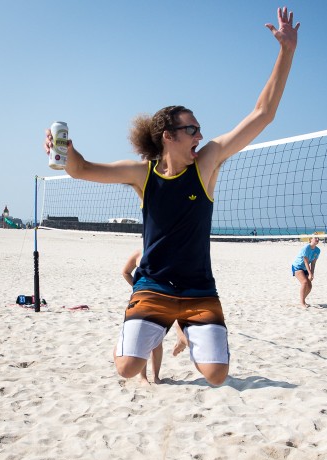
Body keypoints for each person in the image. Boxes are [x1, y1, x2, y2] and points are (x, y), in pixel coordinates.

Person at [45, 7, 300, 386]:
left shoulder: (207, 163)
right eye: (192, 128)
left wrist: (287, 51)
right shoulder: (140, 175)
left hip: (199, 290)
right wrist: (64, 149)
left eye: (200, 129)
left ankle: (180, 326)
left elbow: (262, 114)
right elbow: (81, 169)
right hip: (152, 288)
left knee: (216, 375)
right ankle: (148, 328)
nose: (200, 135)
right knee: (128, 369)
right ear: (169, 135)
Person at [121, 249, 187, 384]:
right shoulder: (143, 252)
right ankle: (146, 377)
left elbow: (125, 273)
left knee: (154, 340)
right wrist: (137, 287)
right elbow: (126, 272)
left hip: (159, 299)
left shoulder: (170, 253)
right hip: (150, 299)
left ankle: (152, 377)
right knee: (148, 339)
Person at [291, 234, 320, 308]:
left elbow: (313, 263)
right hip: (297, 266)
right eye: (315, 238)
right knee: (304, 282)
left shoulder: (318, 250)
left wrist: (312, 274)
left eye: (318, 238)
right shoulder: (306, 247)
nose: (317, 239)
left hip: (305, 268)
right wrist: (309, 273)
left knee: (309, 286)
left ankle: (303, 300)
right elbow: (306, 261)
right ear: (310, 239)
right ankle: (302, 303)